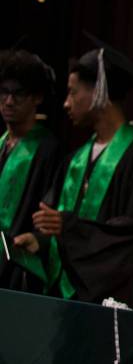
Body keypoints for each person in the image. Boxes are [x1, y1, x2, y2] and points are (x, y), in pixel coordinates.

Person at [19, 36, 133, 310]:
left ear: (99, 91)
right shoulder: (75, 159)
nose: (65, 103)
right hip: (65, 302)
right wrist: (41, 241)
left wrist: (69, 227)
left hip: (113, 302)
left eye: (73, 92)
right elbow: (60, 225)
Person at [0, 49, 61, 294]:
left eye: (18, 94)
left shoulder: (49, 150)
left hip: (19, 269)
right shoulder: (2, 144)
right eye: (4, 92)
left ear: (36, 98)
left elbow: (51, 212)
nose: (9, 101)